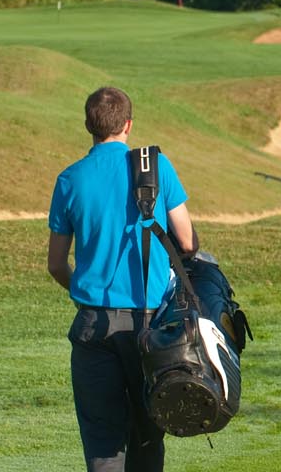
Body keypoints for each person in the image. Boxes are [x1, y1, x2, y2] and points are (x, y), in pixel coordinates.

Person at [46, 86, 197, 472]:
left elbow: (57, 265)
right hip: (151, 327)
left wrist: (84, 294)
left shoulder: (70, 179)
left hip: (93, 325)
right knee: (148, 433)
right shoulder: (157, 167)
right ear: (129, 124)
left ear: (87, 126)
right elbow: (186, 241)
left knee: (103, 442)